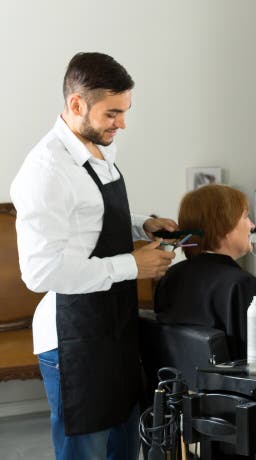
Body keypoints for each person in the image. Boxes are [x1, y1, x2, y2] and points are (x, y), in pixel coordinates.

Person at [10, 52, 176, 460]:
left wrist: (144, 225)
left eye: (124, 111)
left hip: (114, 328)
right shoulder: (45, 171)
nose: (122, 124)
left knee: (124, 445)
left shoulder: (98, 148)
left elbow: (89, 216)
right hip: (73, 340)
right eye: (113, 113)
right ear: (76, 105)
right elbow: (39, 272)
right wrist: (132, 266)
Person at [154, 184, 256, 358]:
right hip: (242, 383)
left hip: (182, 384)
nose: (252, 225)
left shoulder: (170, 277)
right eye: (245, 217)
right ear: (224, 227)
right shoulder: (243, 286)